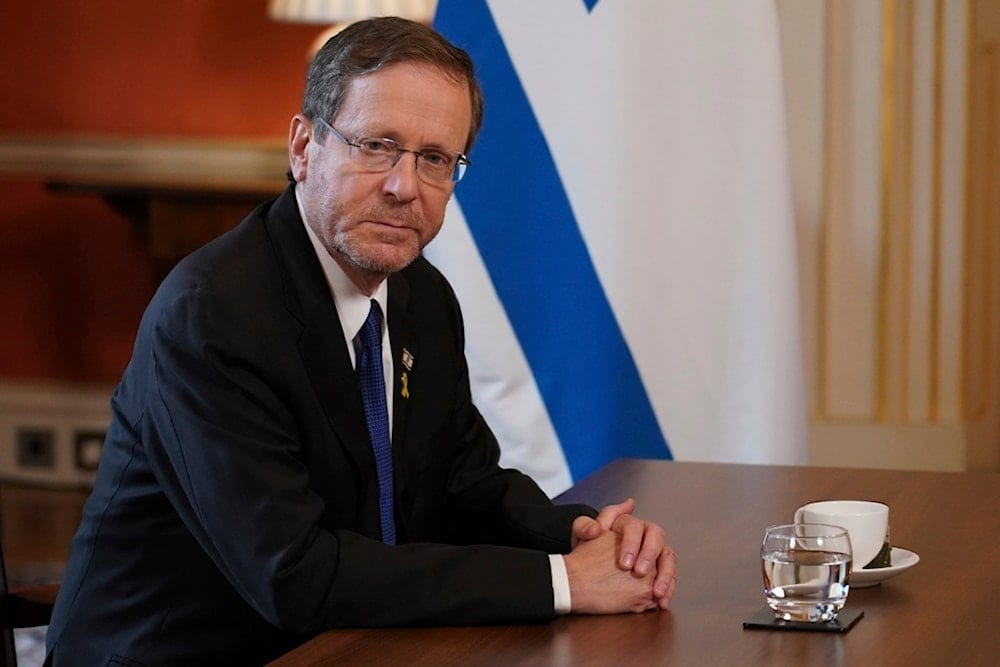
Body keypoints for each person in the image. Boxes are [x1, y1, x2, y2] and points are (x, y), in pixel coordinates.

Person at [45, 17, 677, 664]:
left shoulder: (422, 298)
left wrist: (580, 536)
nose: (405, 186)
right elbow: (296, 574)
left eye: (435, 159)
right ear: (303, 147)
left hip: (348, 644)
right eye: (376, 145)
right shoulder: (214, 314)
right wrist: (562, 583)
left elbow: (465, 484)